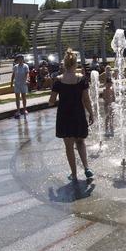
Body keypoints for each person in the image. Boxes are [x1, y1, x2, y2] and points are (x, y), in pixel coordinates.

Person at [48, 48, 95, 184]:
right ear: (75, 64)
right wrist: (91, 113)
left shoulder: (58, 80)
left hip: (64, 116)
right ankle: (86, 167)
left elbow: (51, 101)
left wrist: (52, 102)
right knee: (80, 142)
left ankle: (74, 174)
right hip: (78, 115)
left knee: (69, 147)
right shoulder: (81, 79)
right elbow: (86, 99)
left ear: (63, 64)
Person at [101, 71, 116, 136]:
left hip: (111, 105)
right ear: (106, 83)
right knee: (107, 117)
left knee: (112, 116)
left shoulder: (112, 89)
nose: (109, 85)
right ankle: (106, 129)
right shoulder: (104, 90)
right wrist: (107, 102)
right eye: (108, 84)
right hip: (106, 105)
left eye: (110, 84)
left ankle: (111, 128)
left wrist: (114, 103)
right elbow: (104, 98)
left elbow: (114, 97)